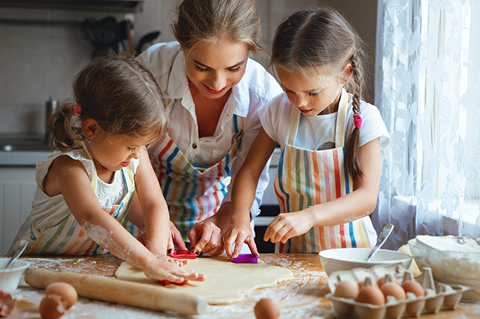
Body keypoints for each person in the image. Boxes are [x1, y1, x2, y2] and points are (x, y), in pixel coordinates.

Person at [8, 55, 205, 284]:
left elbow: (154, 204)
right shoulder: (69, 167)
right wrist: (149, 263)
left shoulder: (133, 157)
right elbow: (92, 218)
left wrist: (157, 252)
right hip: (30, 271)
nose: (138, 153)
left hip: (83, 270)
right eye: (132, 145)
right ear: (92, 128)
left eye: (144, 146)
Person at [224, 7, 390, 257]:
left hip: (351, 255)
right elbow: (248, 173)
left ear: (345, 73)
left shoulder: (363, 119)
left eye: (312, 92)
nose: (300, 102)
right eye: (289, 90)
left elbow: (366, 198)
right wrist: (240, 220)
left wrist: (310, 216)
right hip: (293, 254)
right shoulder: (279, 111)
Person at [128, 0, 283, 256]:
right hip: (139, 214)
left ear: (251, 51)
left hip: (221, 213)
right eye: (202, 67)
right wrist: (154, 223)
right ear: (182, 45)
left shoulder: (263, 97)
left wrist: (217, 224)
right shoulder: (150, 73)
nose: (217, 83)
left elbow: (247, 178)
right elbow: (124, 160)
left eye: (234, 68)